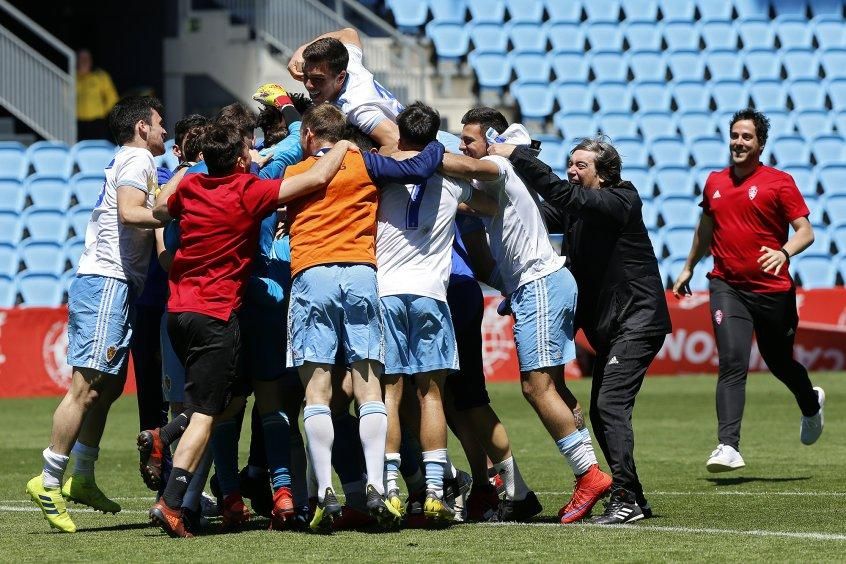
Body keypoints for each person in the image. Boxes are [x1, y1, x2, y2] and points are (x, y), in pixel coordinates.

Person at [147, 120, 354, 538]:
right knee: (224, 409)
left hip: (179, 311)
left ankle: (182, 449)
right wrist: (344, 142)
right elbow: (316, 175)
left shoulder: (190, 187)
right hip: (225, 312)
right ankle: (174, 501)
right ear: (242, 158)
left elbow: (158, 207)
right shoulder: (250, 190)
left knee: (221, 402)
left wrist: (188, 171)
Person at [440, 107, 611, 525]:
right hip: (542, 282)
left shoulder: (496, 163)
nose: (462, 146)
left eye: (469, 139)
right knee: (553, 388)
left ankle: (589, 473)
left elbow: (473, 165)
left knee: (535, 389)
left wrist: (423, 157)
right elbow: (475, 201)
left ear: (492, 141)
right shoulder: (499, 170)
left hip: (539, 284)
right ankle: (591, 471)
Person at [489, 135, 672, 524]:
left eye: (581, 166)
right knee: (600, 409)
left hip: (637, 320)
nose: (572, 171)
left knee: (609, 407)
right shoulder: (578, 207)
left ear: (604, 173)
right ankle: (632, 495)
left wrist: (517, 156)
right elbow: (533, 211)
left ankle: (624, 496)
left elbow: (563, 196)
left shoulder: (621, 199)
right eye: (570, 164)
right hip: (615, 324)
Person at [283, 103, 445, 531]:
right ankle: (377, 486)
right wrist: (434, 146)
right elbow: (418, 169)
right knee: (368, 385)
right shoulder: (366, 164)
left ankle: (324, 495)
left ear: (308, 137)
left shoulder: (293, 173)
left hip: (312, 273)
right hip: (360, 272)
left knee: (317, 392)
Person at [26, 96, 167, 533]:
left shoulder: (133, 159)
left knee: (107, 387)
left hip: (117, 283)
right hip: (107, 281)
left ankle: (82, 476)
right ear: (142, 127)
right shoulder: (137, 160)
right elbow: (129, 212)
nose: (166, 131)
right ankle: (48, 479)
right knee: (85, 387)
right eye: (160, 123)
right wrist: (169, 210)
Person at [672, 108, 825, 472]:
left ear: (760, 144)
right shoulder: (714, 182)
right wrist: (688, 266)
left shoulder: (780, 182)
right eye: (735, 136)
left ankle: (810, 402)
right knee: (732, 361)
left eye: (747, 137)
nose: (739, 143)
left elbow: (806, 231)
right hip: (727, 285)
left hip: (773, 291)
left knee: (780, 362)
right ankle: (728, 445)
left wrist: (784, 251)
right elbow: (705, 228)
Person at [376, 102, 497, 523]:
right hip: (431, 294)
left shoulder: (380, 172)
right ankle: (433, 491)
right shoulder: (450, 179)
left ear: (400, 133)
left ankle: (389, 488)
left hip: (385, 293)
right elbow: (490, 203)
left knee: (389, 394)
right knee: (432, 394)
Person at [287, 28, 403, 151]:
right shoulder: (348, 63)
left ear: (340, 77)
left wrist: (361, 166)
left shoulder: (358, 109)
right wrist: (301, 50)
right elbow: (349, 33)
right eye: (305, 76)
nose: (309, 85)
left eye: (318, 79)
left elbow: (397, 142)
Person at [76, 48, 120, 141]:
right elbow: (64, 98)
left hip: (97, 122)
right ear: (77, 60)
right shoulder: (72, 77)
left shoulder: (100, 76)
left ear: (91, 60)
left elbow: (112, 98)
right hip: (77, 122)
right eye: (81, 58)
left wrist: (103, 111)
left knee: (98, 148)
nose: (84, 61)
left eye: (86, 58)